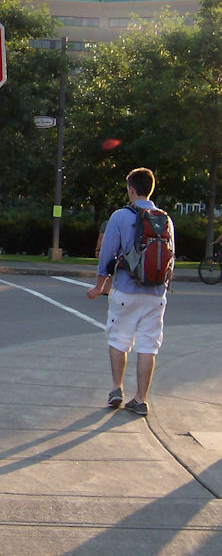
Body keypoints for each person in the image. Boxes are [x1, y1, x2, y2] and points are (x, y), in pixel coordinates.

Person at [87, 167, 174, 417]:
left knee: (118, 340)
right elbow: (171, 257)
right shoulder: (165, 219)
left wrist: (99, 286)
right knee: (148, 345)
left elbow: (107, 254)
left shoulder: (120, 216)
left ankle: (117, 388)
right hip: (156, 293)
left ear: (131, 189)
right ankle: (141, 399)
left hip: (126, 289)